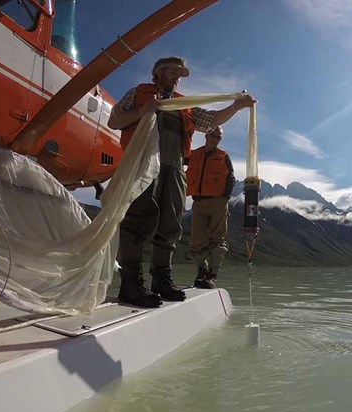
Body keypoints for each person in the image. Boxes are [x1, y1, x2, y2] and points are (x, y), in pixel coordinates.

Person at [107, 56, 255, 308]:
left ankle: (161, 280)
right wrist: (142, 111)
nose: (177, 78)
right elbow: (114, 121)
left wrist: (236, 107)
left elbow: (211, 120)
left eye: (180, 74)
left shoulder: (184, 104)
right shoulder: (139, 93)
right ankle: (130, 283)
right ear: (158, 72)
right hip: (143, 164)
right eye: (174, 72)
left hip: (175, 169)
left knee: (171, 223)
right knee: (137, 220)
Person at [185, 126, 234, 288]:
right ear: (206, 135)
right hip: (198, 202)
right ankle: (202, 270)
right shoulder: (194, 155)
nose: (215, 139)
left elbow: (231, 178)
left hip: (218, 202)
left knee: (217, 238)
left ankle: (213, 274)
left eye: (218, 137)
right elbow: (178, 161)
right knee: (197, 239)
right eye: (213, 135)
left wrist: (225, 198)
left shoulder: (223, 156)